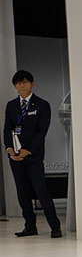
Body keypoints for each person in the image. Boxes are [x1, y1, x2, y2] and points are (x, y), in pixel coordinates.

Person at [3, 70, 62, 238]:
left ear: (32, 83)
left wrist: (27, 150)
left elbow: (42, 131)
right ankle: (29, 226)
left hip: (33, 155)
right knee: (22, 191)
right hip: (15, 156)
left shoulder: (42, 105)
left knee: (41, 189)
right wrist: (9, 148)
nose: (22, 85)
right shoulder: (11, 105)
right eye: (18, 83)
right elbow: (7, 129)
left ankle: (55, 226)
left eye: (25, 82)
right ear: (15, 86)